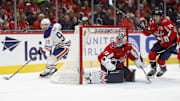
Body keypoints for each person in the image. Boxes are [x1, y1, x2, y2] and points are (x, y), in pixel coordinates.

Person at [138, 10, 178, 77]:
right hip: (161, 43)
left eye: (157, 16)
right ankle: (153, 69)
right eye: (154, 16)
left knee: (160, 60)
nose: (155, 18)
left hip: (170, 45)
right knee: (151, 54)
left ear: (161, 17)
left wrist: (167, 38)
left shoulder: (166, 22)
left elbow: (174, 32)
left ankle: (163, 69)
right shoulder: (153, 24)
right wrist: (143, 29)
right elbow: (148, 33)